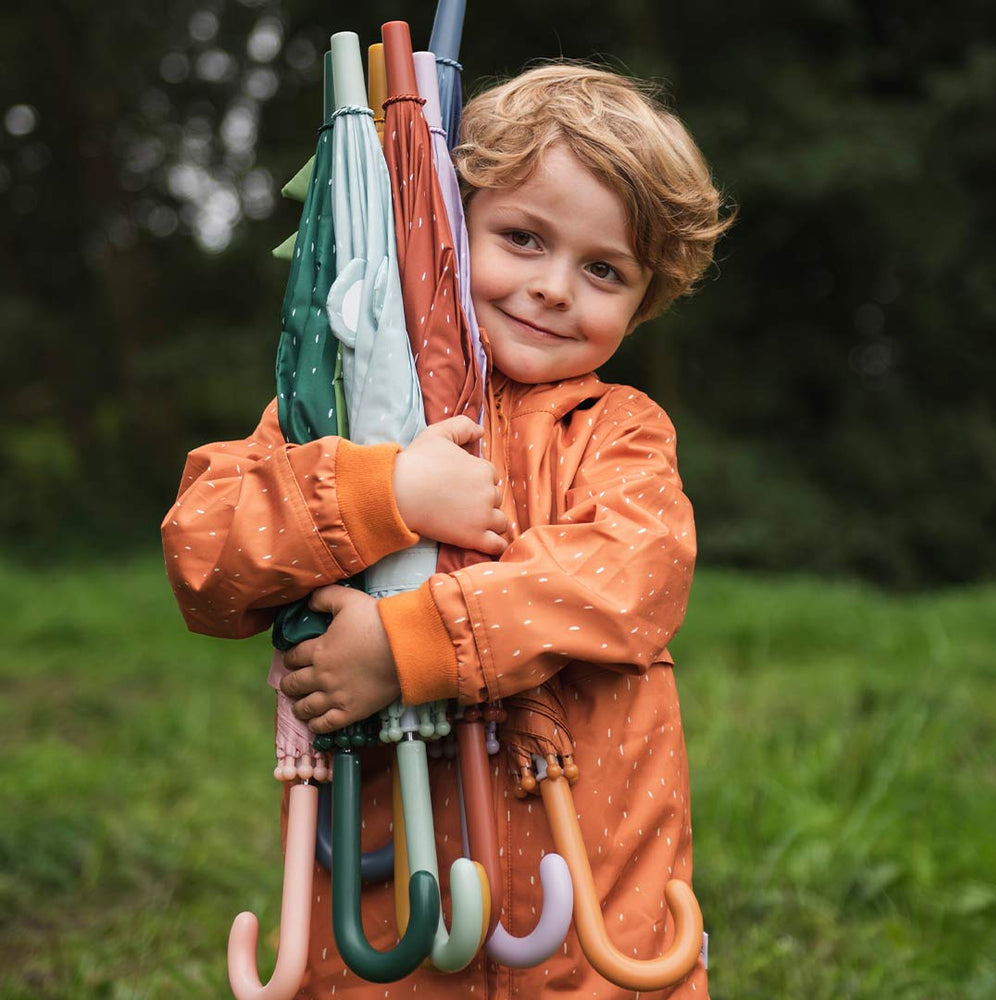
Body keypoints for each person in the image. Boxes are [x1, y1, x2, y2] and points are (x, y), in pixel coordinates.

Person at [163, 62, 730, 999]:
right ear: (448, 236)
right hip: (388, 928)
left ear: (645, 299)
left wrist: (406, 645)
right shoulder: (343, 410)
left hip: (589, 926)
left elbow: (629, 577)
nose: (553, 288)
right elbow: (203, 557)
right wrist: (381, 493)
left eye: (603, 269)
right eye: (522, 237)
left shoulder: (619, 430)